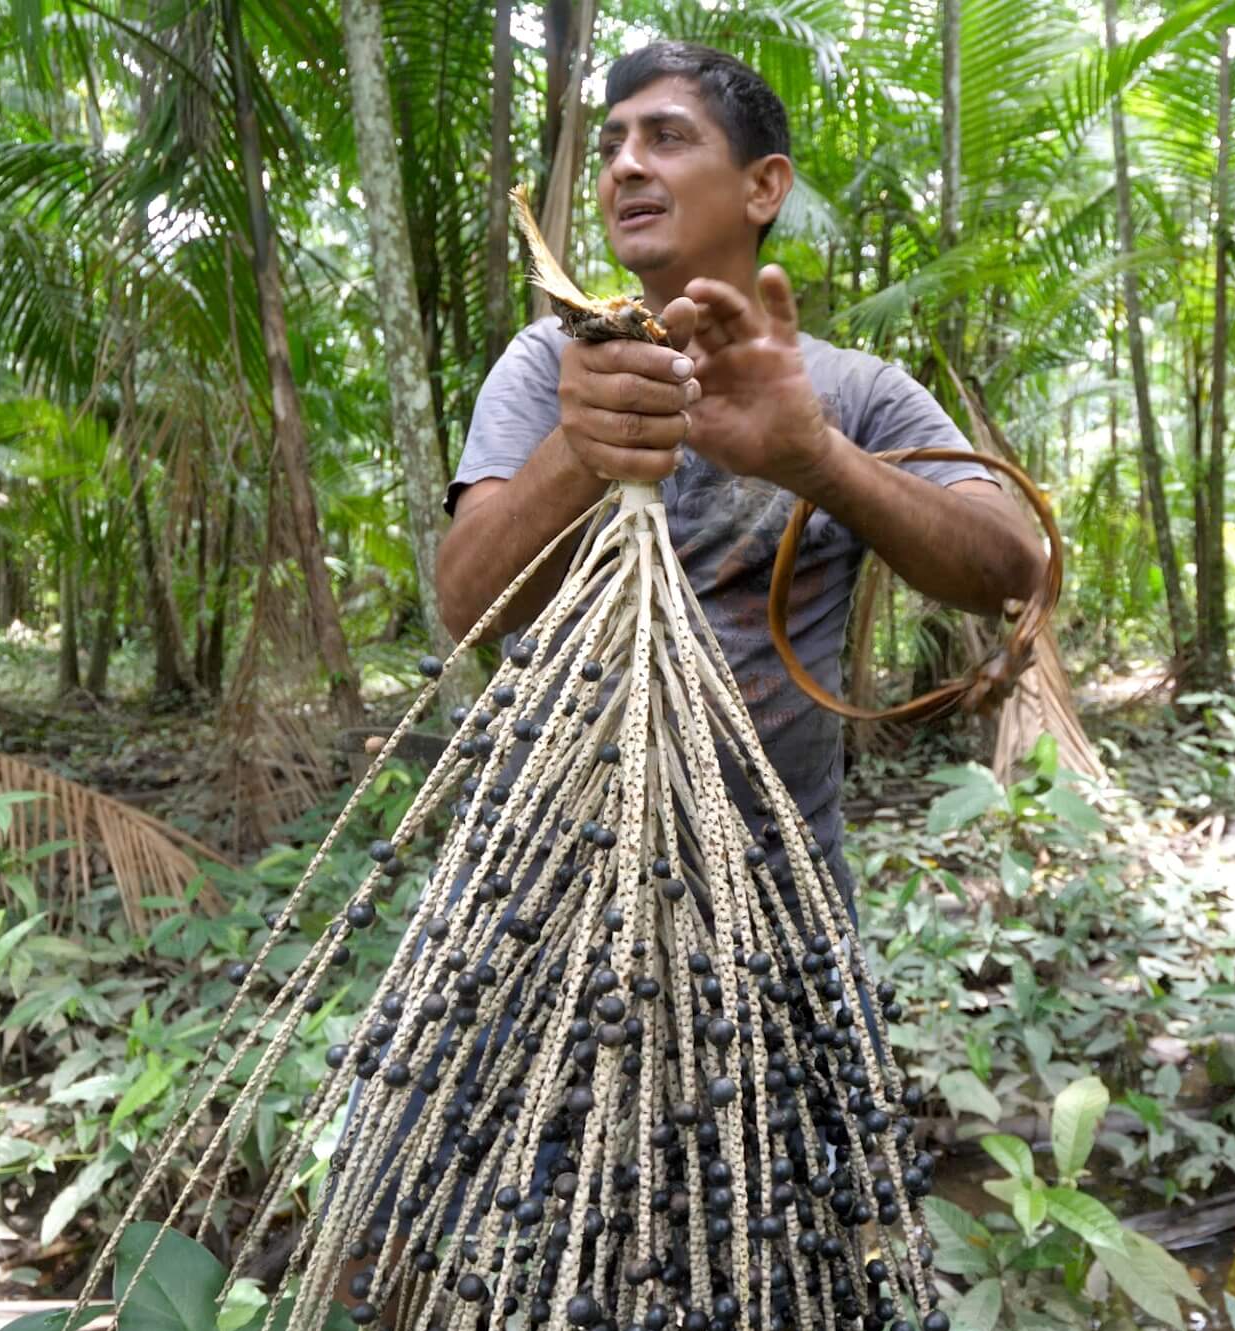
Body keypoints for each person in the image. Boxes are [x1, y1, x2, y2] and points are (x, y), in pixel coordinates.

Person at [436, 40, 1044, 884]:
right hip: (539, 895)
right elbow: (468, 604)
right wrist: (581, 449)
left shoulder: (856, 392)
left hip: (771, 908)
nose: (625, 168)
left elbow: (1012, 567)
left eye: (667, 138)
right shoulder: (549, 366)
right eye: (612, 147)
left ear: (764, 185)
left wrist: (819, 460)